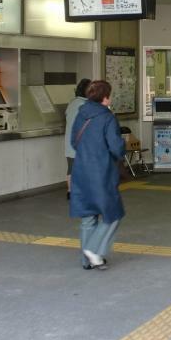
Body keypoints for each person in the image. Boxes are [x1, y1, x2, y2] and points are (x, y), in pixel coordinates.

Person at [69, 80, 126, 270]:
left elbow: (74, 142)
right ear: (104, 97)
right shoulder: (107, 117)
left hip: (81, 170)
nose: (111, 97)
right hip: (101, 172)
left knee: (88, 216)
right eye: (109, 94)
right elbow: (116, 147)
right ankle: (94, 250)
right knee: (113, 214)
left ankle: (87, 261)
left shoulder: (81, 114)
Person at [64, 78, 91, 201]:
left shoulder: (72, 103)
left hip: (69, 142)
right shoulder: (85, 105)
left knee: (71, 167)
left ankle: (70, 192)